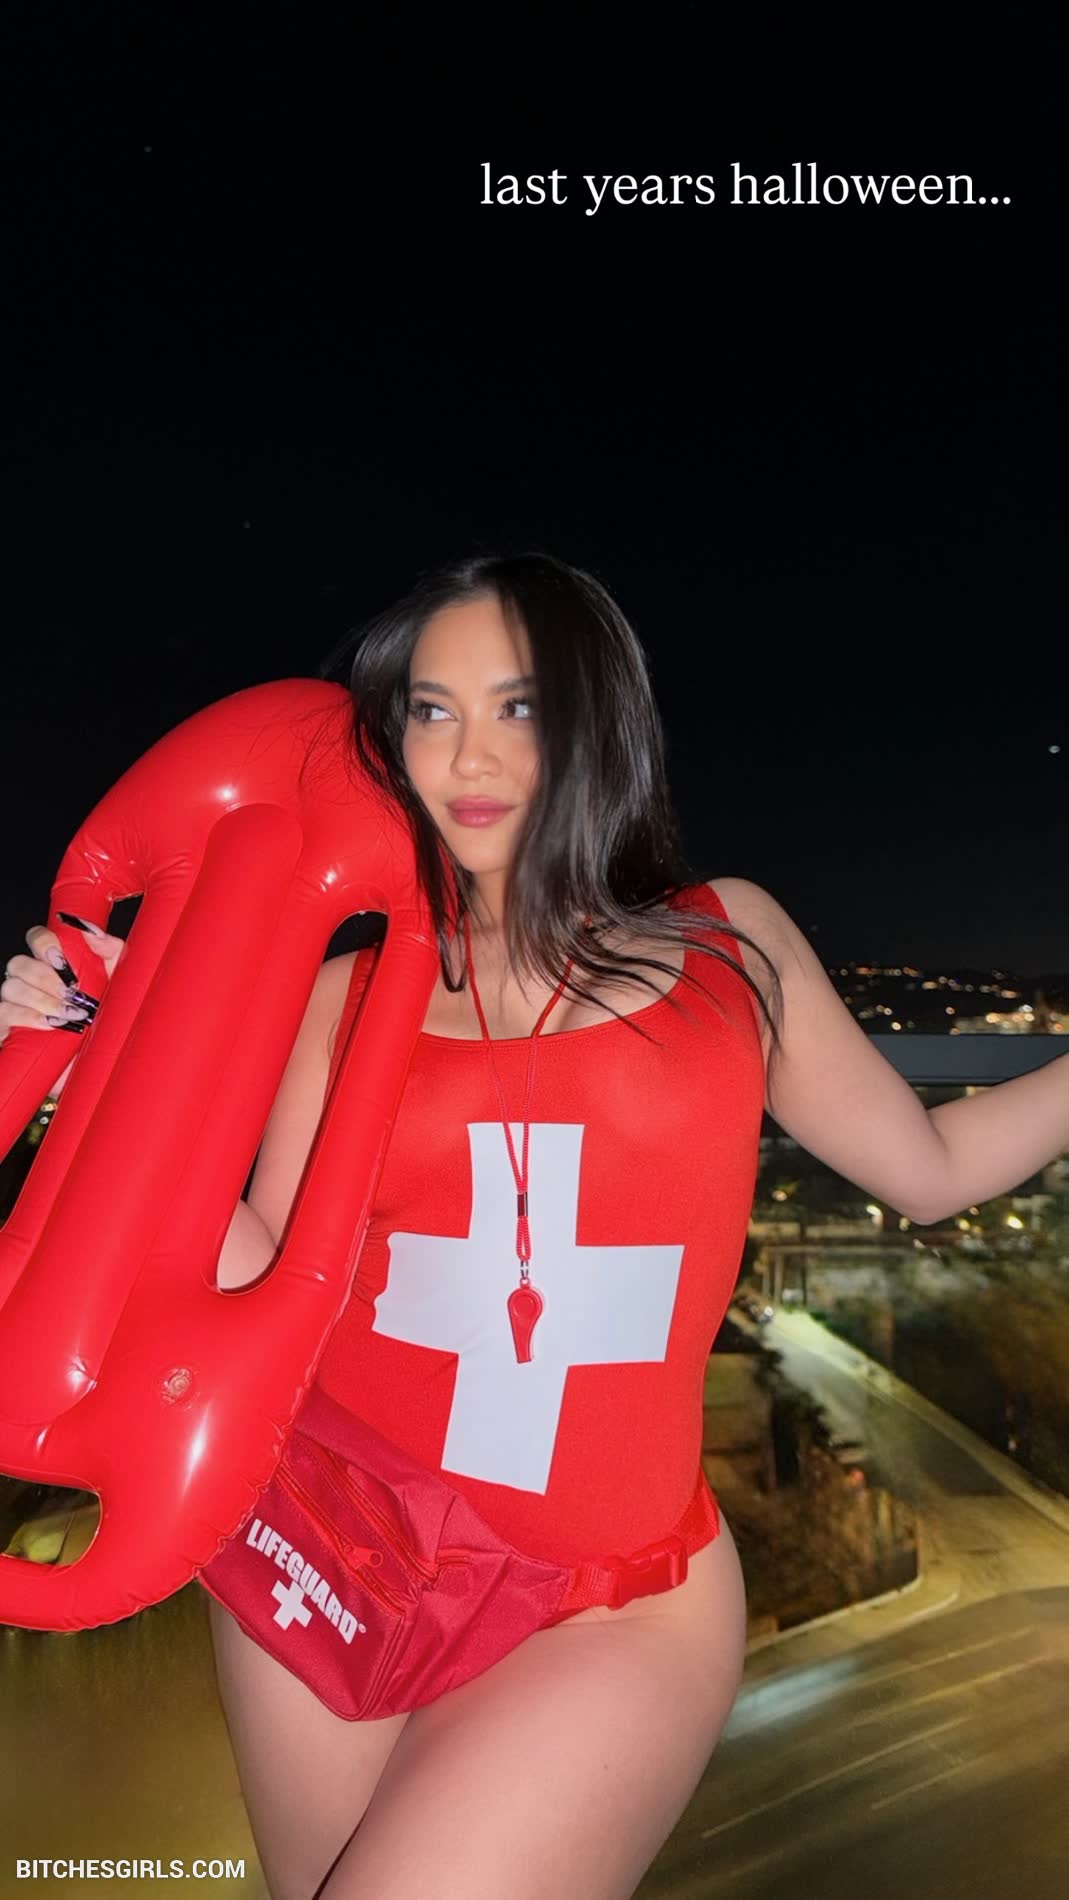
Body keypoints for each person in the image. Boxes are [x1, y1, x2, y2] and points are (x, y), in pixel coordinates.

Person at [2, 551, 789, 1900]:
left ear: (596, 722)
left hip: (597, 1590)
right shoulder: (339, 997)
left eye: (518, 704)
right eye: (431, 710)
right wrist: (117, 1046)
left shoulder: (725, 948)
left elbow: (936, 1164)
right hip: (328, 1532)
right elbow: (250, 1274)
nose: (468, 753)